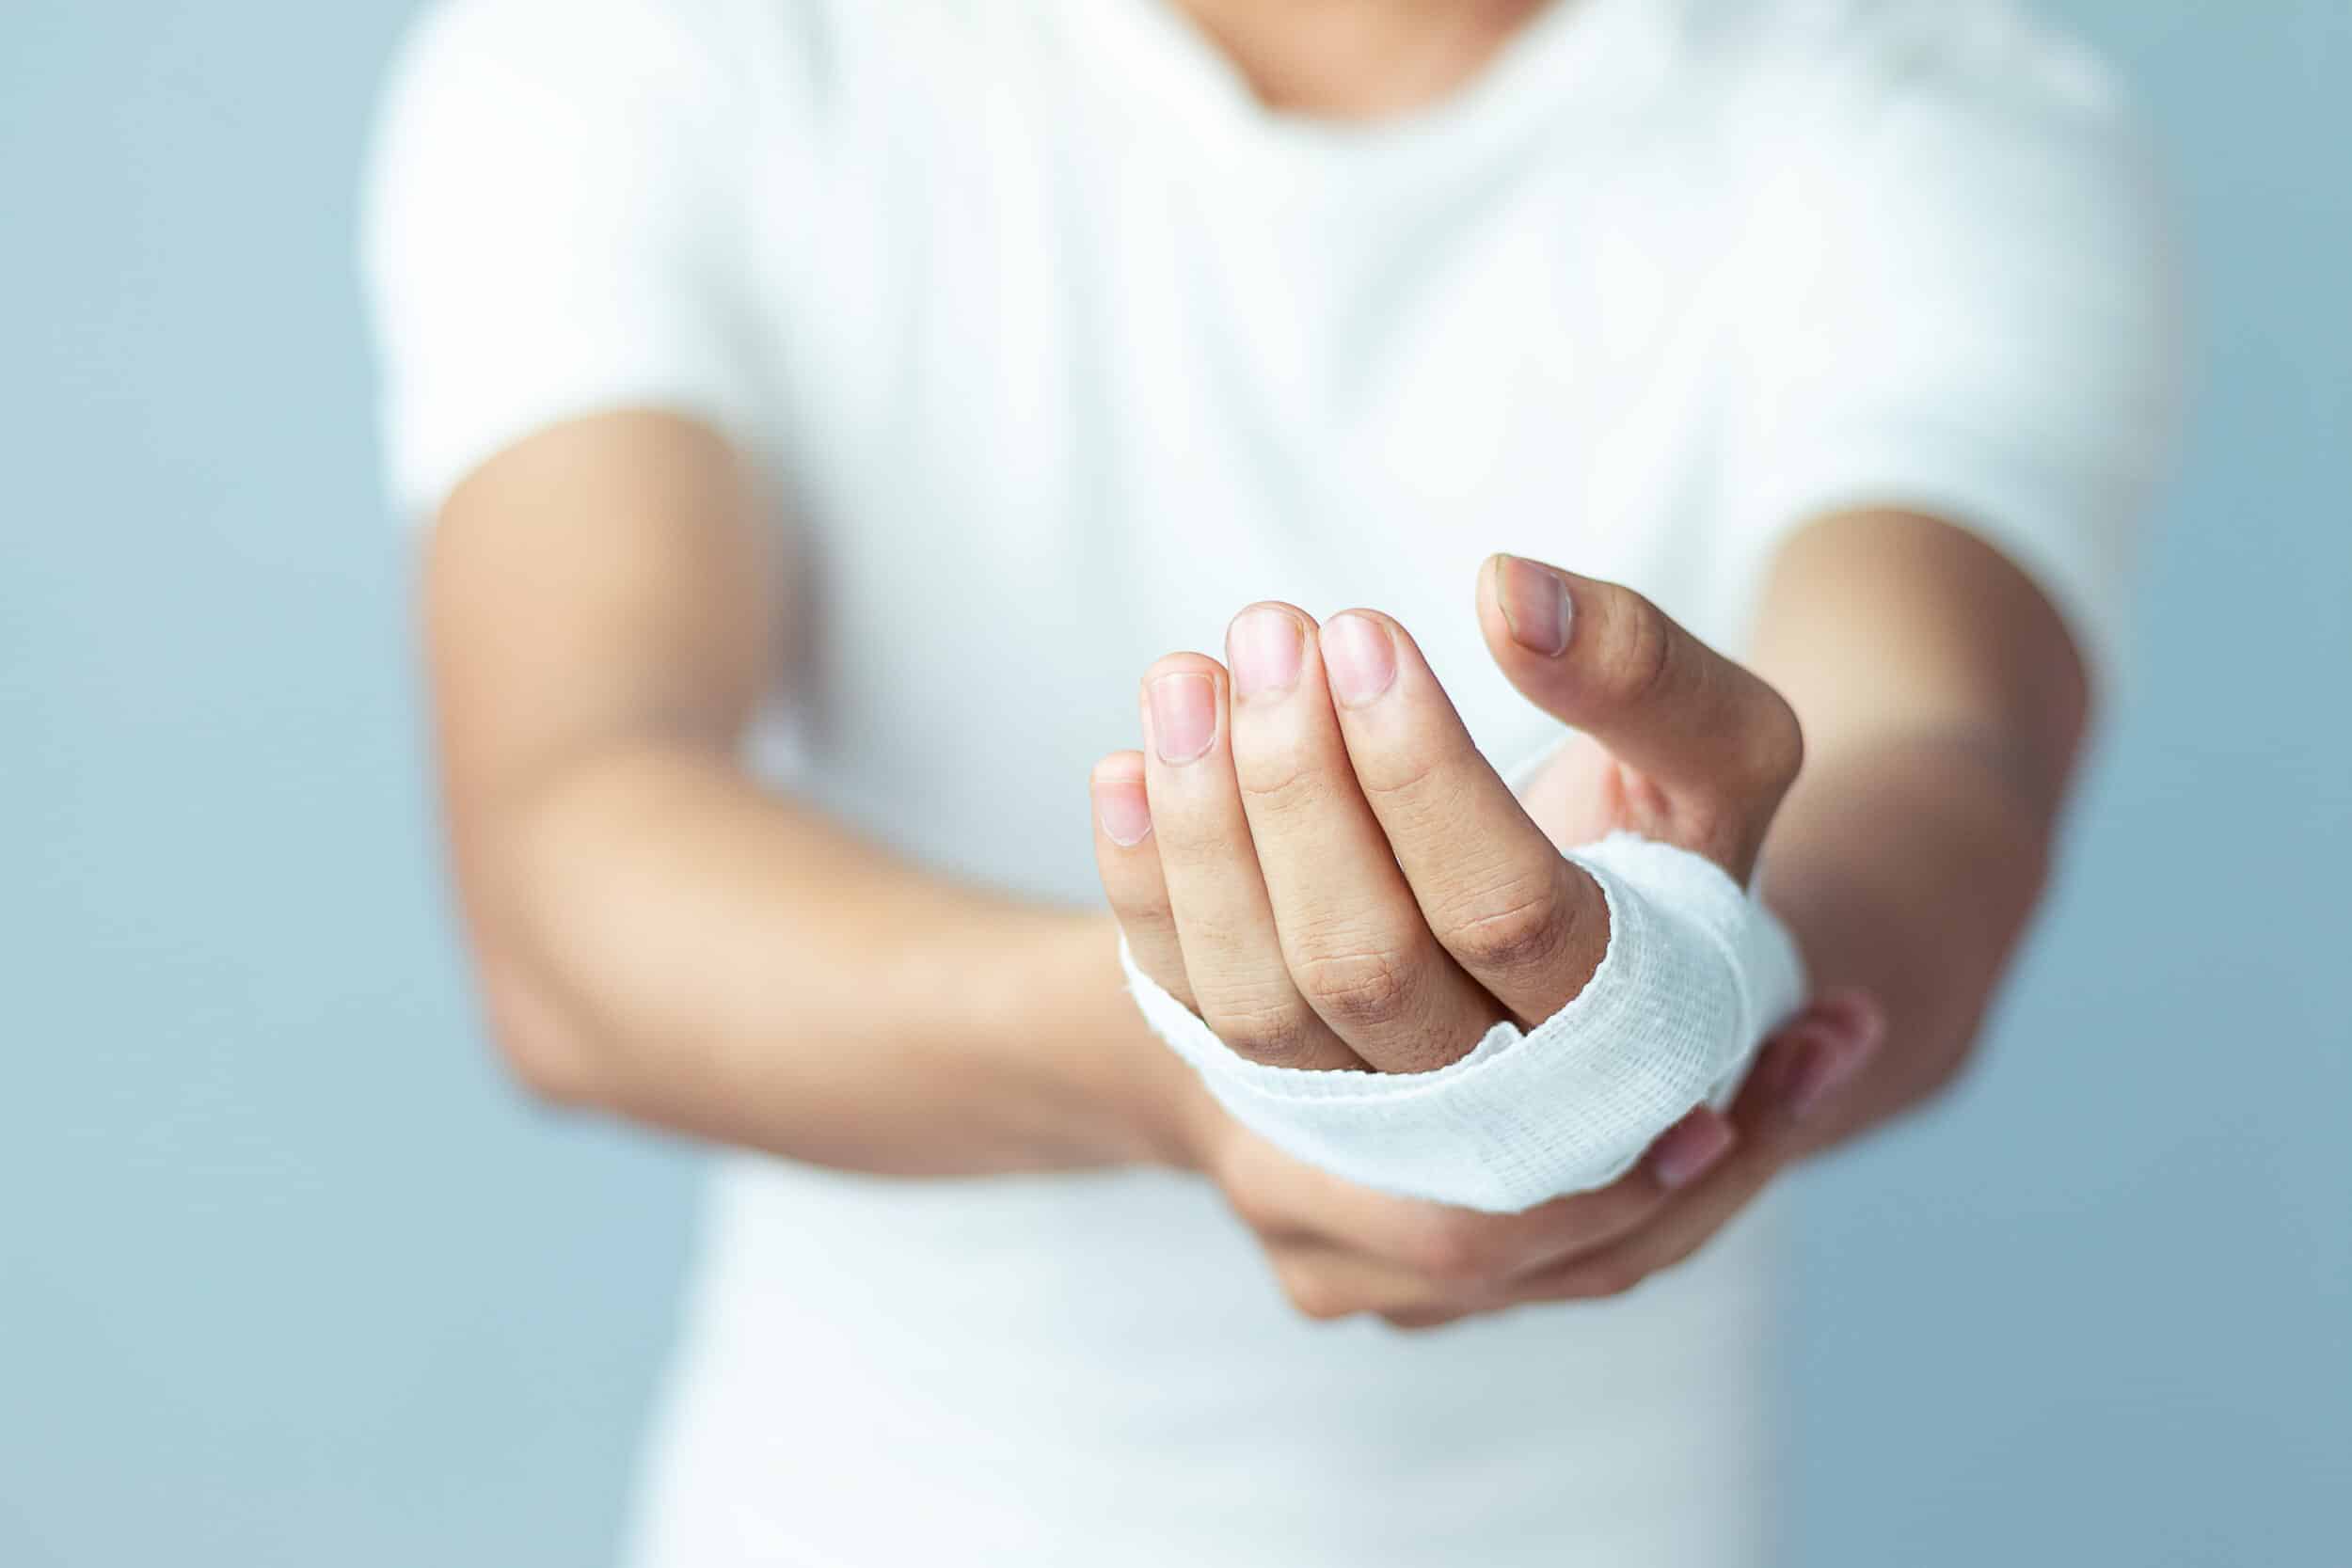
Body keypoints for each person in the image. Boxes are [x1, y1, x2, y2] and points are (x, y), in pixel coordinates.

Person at [359, 0, 2181, 1562]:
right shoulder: (673, 55)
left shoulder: (1930, 119)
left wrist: (1696, 988)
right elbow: (569, 871)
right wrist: (1195, 1058)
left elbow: (1939, 761)